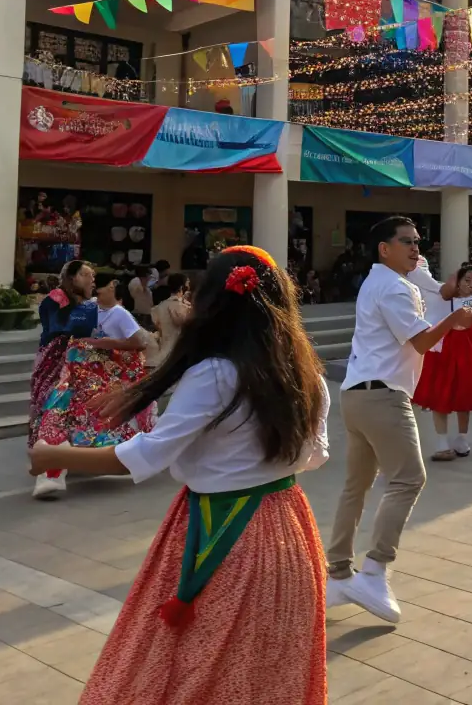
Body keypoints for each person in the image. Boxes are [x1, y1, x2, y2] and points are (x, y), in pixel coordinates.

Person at [28, 246, 332, 704]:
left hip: (224, 531)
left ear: (213, 302)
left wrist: (53, 454)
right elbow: (315, 457)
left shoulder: (214, 374)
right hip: (288, 528)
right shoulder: (306, 371)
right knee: (269, 669)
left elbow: (145, 455)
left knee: (196, 666)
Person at [326, 217, 472, 624]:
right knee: (409, 478)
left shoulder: (384, 281)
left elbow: (434, 294)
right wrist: (453, 320)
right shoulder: (392, 286)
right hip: (382, 395)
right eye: (406, 242)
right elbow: (421, 340)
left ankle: (338, 573)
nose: (415, 248)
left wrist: (433, 288)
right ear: (383, 248)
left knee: (355, 486)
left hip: (358, 393)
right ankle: (373, 571)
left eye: (417, 241)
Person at [32, 272, 157, 500]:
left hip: (101, 382)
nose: (96, 289)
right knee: (54, 415)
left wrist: (100, 344)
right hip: (75, 377)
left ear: (113, 286)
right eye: (93, 285)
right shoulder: (86, 309)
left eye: (102, 285)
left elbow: (139, 343)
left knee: (90, 420)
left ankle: (57, 468)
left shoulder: (120, 314)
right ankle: (51, 473)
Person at [29, 260, 97, 497]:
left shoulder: (86, 304)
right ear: (72, 278)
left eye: (93, 276)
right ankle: (49, 463)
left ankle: (68, 456)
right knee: (51, 408)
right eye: (87, 275)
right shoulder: (55, 298)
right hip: (54, 363)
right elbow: (60, 327)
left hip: (75, 363)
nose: (92, 280)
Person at [413, 265, 472, 461]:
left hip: (464, 357)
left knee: (463, 400)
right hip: (441, 355)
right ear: (458, 281)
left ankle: (461, 437)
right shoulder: (440, 298)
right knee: (439, 398)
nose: (471, 283)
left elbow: (464, 322)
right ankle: (442, 442)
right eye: (467, 279)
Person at [150, 273, 191, 367]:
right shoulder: (179, 305)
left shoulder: (159, 306)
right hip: (177, 353)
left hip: (162, 352)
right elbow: (182, 322)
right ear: (182, 286)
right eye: (188, 283)